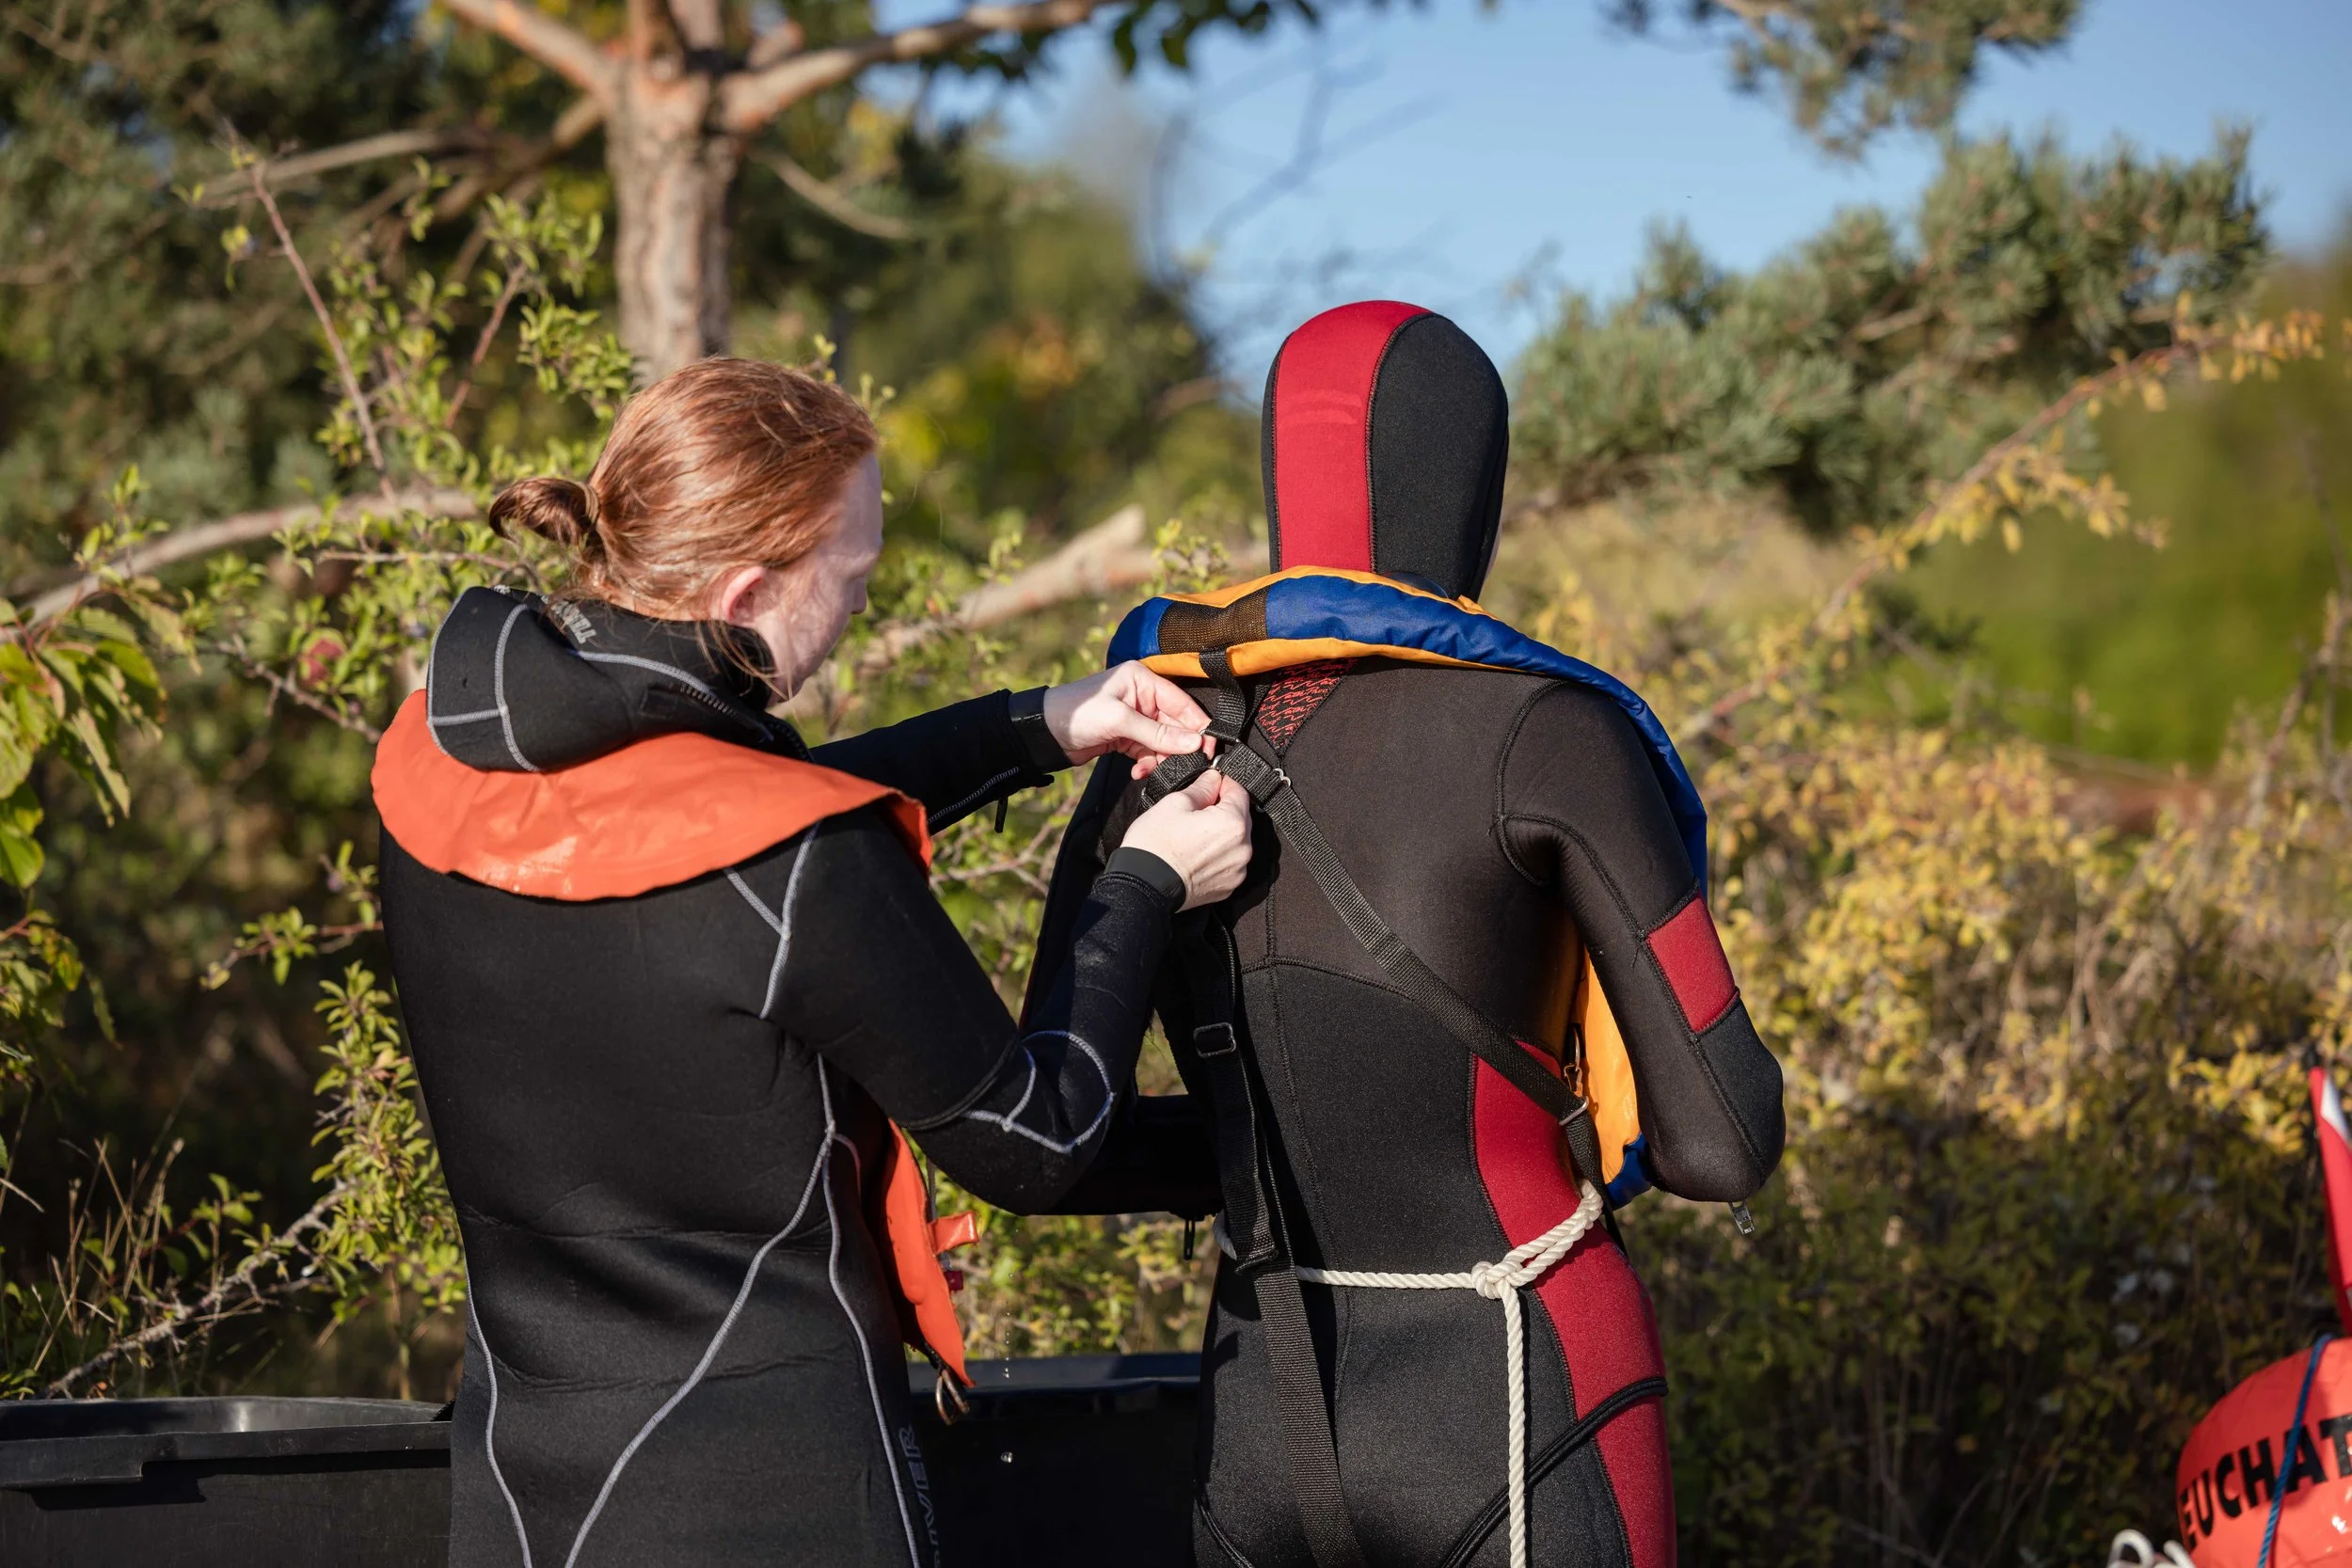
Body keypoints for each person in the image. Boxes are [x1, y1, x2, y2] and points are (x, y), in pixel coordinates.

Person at [371, 356, 1254, 1568]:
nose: (861, 609)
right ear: (746, 591)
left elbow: (721, 814)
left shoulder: (442, 756)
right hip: (781, 1501)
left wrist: (1041, 720)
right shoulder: (798, 865)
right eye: (855, 576)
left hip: (525, 1490)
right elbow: (1035, 1141)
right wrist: (1149, 881)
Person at [1028, 302, 1786, 1568]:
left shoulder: (1139, 751)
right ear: (1471, 481)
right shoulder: (1550, 732)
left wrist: (1277, 1145)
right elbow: (1721, 1141)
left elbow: (1062, 1144)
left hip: (1264, 1414)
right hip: (1523, 1389)